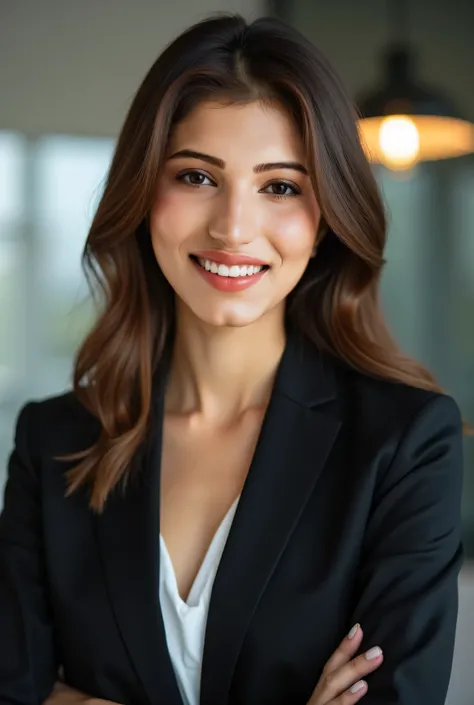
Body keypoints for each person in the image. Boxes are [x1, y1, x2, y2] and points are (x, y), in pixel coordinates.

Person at [0, 12, 465, 705]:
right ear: (143, 195)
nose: (232, 227)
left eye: (280, 186)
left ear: (326, 219)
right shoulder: (54, 442)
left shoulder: (404, 443)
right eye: (195, 176)